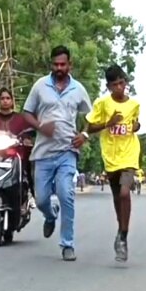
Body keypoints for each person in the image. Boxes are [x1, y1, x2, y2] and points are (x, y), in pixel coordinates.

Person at [23, 45, 92, 262]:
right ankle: (50, 215)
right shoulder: (40, 86)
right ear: (51, 65)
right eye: (55, 64)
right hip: (43, 153)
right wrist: (40, 127)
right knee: (42, 199)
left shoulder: (78, 89)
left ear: (70, 65)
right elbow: (26, 113)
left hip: (67, 151)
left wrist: (84, 135)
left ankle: (67, 244)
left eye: (63, 64)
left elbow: (91, 116)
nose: (59, 68)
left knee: (66, 195)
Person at [85, 64, 140, 262]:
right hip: (110, 156)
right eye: (114, 84)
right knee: (118, 198)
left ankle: (123, 236)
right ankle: (121, 231)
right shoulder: (102, 104)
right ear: (108, 87)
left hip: (129, 154)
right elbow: (90, 127)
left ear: (126, 82)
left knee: (125, 193)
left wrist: (136, 126)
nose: (119, 87)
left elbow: (135, 123)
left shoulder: (134, 104)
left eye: (121, 83)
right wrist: (108, 124)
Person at [0, 87, 35, 208]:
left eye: (8, 98)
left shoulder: (20, 118)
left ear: (12, 100)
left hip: (15, 154)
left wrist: (26, 140)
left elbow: (27, 134)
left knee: (28, 167)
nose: (5, 101)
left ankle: (29, 193)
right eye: (2, 98)